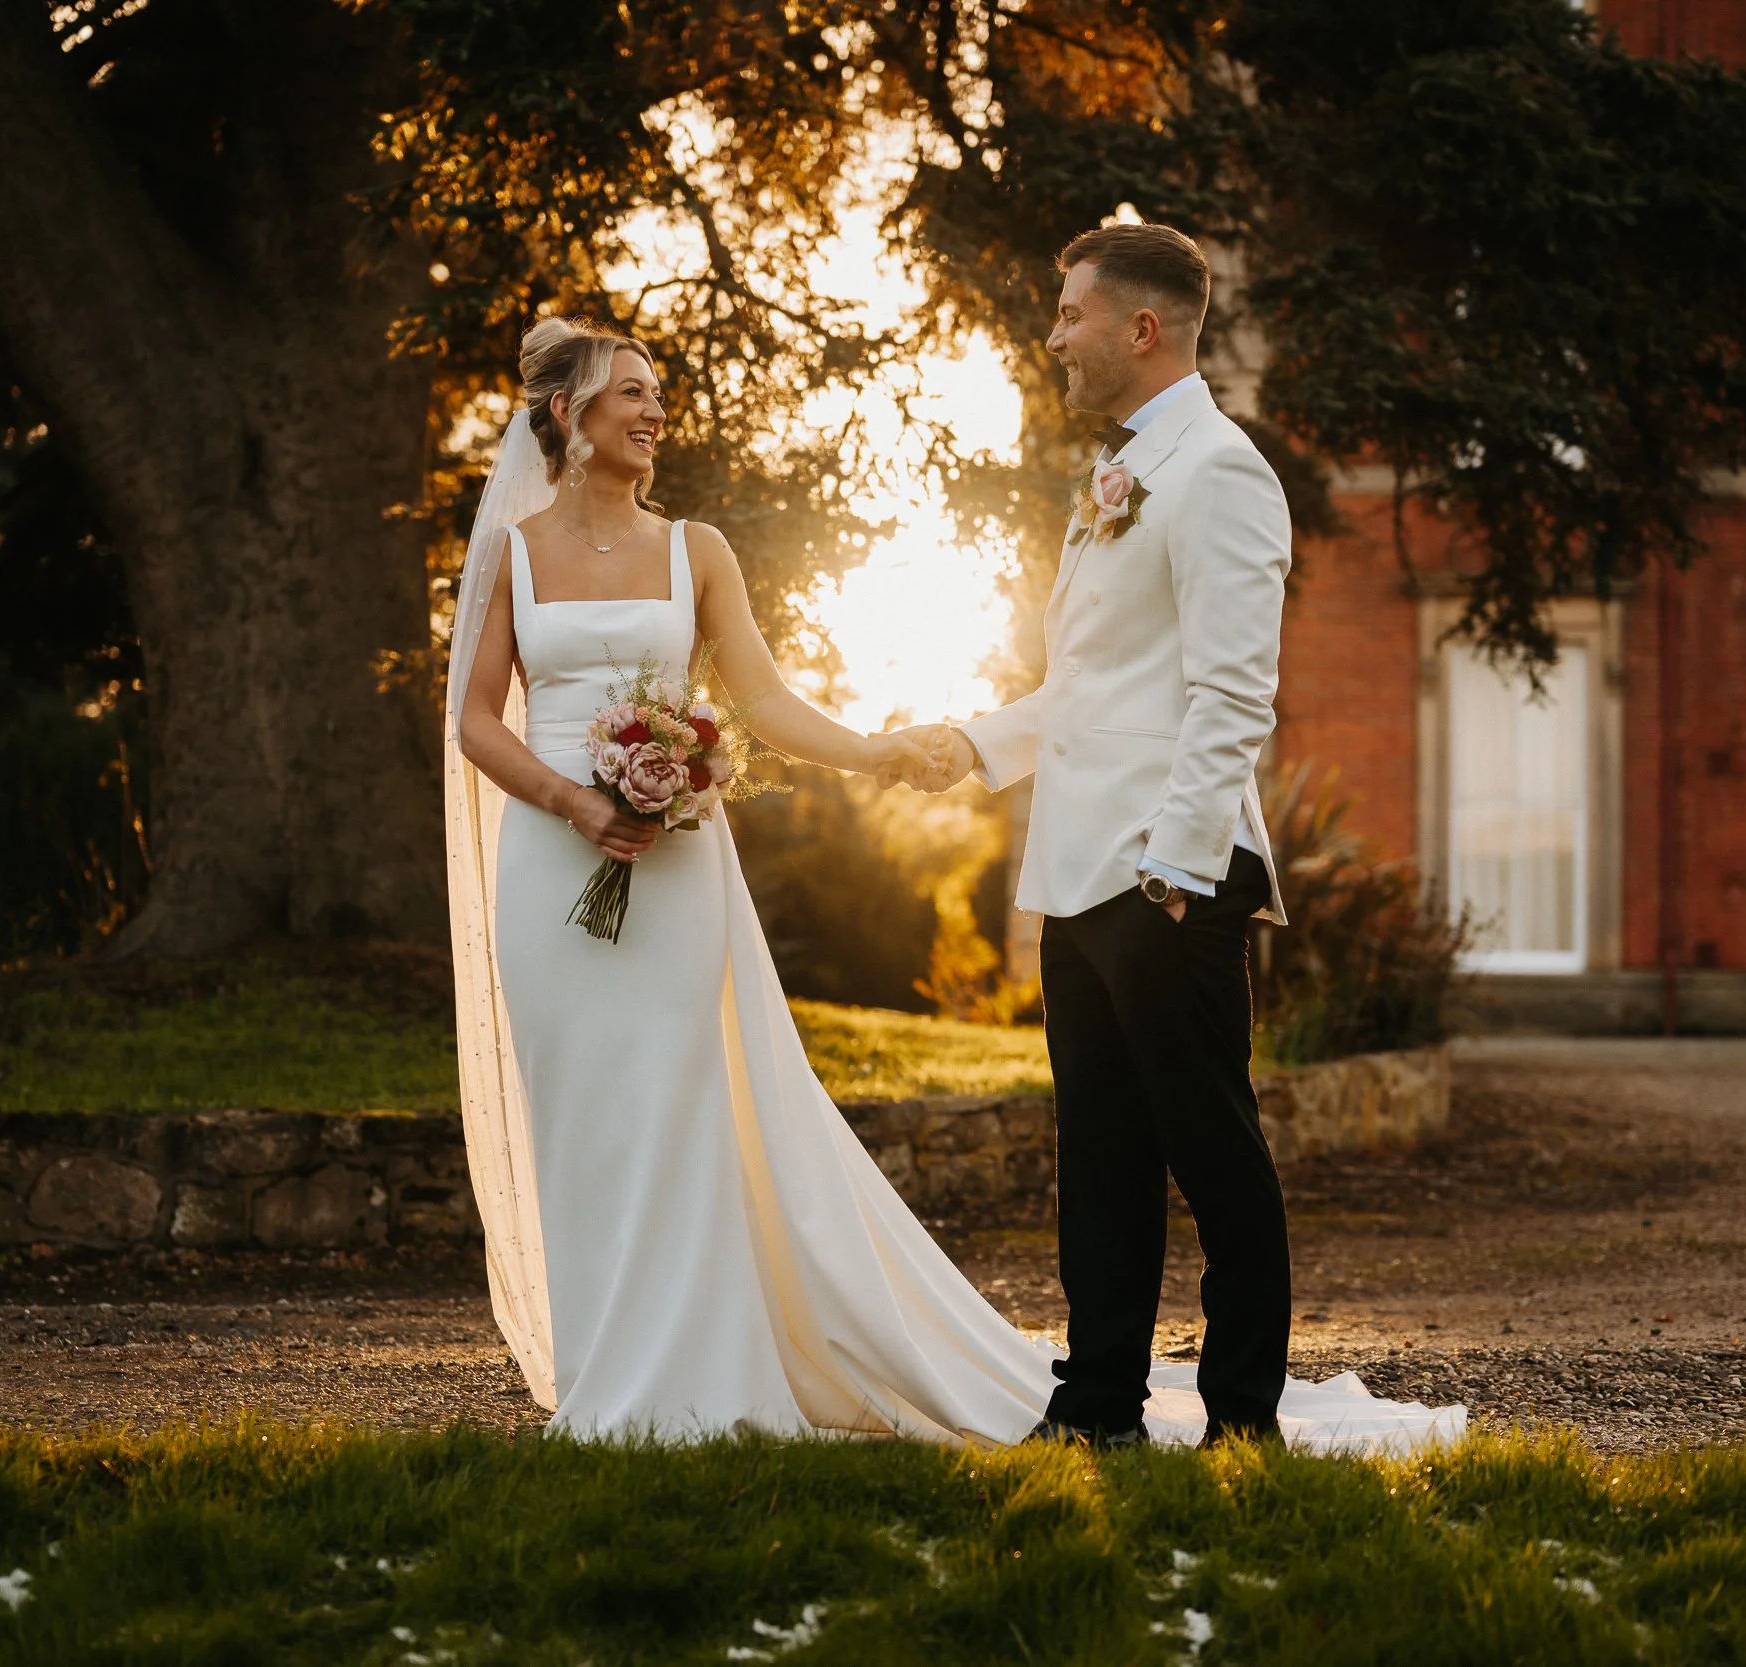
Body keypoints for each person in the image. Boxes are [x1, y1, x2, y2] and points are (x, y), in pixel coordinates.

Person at [444, 308, 1460, 1452]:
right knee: (577, 1108)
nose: (656, 408)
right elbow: (475, 719)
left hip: (676, 862)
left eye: (659, 389)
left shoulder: (700, 550)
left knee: (684, 1105)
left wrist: (894, 751)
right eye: (632, 390)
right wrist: (577, 799)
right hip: (547, 862)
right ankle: (605, 1371)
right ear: (568, 415)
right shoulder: (512, 557)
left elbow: (769, 706)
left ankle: (693, 1368)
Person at [891, 224, 1301, 1446]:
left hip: (1166, 875)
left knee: (1213, 1156)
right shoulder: (1120, 475)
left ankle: (1242, 1420)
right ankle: (1097, 1408)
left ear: (1142, 327)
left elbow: (1233, 695)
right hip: (1076, 874)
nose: (1053, 335)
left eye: (1070, 313)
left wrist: (1175, 869)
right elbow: (1091, 683)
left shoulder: (1219, 471)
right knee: (1102, 1163)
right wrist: (972, 742)